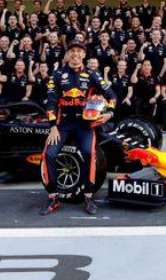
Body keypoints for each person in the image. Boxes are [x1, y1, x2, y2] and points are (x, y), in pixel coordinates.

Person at [40, 41, 116, 216]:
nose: (75, 54)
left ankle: (88, 197)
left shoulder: (92, 74)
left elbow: (111, 94)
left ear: (83, 55)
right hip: (63, 124)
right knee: (49, 154)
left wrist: (109, 113)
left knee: (89, 153)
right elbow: (51, 102)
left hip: (85, 124)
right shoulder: (57, 75)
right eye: (72, 51)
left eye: (79, 51)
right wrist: (53, 127)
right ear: (67, 54)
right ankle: (53, 197)